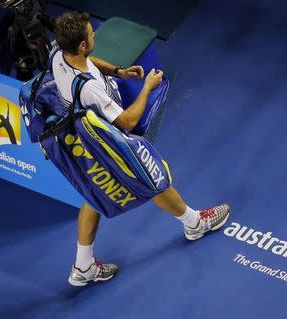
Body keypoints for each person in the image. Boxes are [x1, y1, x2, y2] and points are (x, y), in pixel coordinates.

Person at [52, 11, 230, 287]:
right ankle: (195, 224)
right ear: (83, 45)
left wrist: (117, 71)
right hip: (105, 141)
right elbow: (128, 120)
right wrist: (147, 87)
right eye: (91, 34)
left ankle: (83, 265)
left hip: (78, 138)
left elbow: (86, 63)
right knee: (150, 176)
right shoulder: (89, 91)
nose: (95, 34)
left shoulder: (58, 55)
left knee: (94, 193)